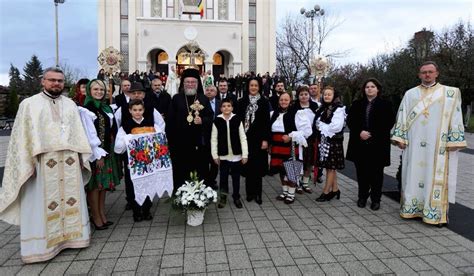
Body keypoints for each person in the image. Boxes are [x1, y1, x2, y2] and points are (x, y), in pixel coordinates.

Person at [0, 67, 92, 263]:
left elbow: (78, 133)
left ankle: (72, 239)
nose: (56, 84)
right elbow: (21, 137)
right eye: (52, 80)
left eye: (59, 81)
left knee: (70, 200)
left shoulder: (70, 105)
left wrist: (82, 159)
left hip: (68, 162)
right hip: (41, 164)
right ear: (43, 81)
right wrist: (27, 163)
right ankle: (40, 247)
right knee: (40, 204)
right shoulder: (29, 104)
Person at [391, 61, 467, 226]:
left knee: (433, 176)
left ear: (436, 73)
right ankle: (412, 210)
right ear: (419, 74)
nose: (427, 75)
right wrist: (400, 138)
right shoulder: (410, 94)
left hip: (437, 145)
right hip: (415, 143)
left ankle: (434, 213)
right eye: (424, 72)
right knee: (412, 174)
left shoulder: (449, 93)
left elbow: (456, 116)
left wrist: (454, 140)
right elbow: (402, 115)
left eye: (430, 72)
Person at [346, 78, 395, 210]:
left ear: (377, 89)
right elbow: (351, 121)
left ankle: (376, 199)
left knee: (377, 174)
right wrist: (359, 132)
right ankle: (362, 197)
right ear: (364, 89)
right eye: (367, 87)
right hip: (360, 144)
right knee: (362, 173)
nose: (370, 89)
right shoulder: (357, 104)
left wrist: (372, 133)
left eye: (372, 86)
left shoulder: (385, 104)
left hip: (378, 145)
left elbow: (389, 122)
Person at [115, 99, 166, 222]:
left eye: (140, 110)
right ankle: (136, 211)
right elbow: (118, 148)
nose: (137, 113)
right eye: (134, 110)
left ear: (143, 110)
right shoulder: (125, 126)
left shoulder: (151, 124)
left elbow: (160, 139)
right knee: (133, 186)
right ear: (130, 111)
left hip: (148, 161)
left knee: (148, 184)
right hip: (132, 163)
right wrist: (130, 138)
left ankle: (147, 209)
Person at [81, 79, 121, 228]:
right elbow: (88, 134)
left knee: (103, 185)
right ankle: (95, 217)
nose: (99, 92)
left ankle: (102, 214)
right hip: (96, 151)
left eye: (101, 90)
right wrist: (97, 153)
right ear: (90, 91)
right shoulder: (87, 109)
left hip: (108, 149)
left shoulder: (107, 108)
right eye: (95, 89)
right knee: (95, 185)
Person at [167, 68, 213, 190]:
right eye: (188, 82)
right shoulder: (176, 98)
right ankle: (180, 195)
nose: (190, 84)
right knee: (181, 170)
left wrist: (203, 120)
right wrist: (171, 142)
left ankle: (200, 195)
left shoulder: (203, 99)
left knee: (200, 169)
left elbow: (210, 117)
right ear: (183, 83)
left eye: (193, 82)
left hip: (199, 144)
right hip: (180, 144)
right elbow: (170, 121)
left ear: (197, 84)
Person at [270, 92, 312, 204]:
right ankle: (284, 191)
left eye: (286, 100)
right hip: (277, 146)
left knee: (291, 170)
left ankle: (291, 193)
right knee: (281, 170)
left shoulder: (298, 113)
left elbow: (307, 131)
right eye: (281, 100)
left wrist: (290, 136)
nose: (283, 102)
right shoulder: (274, 113)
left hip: (290, 145)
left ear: (290, 101)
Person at [237, 77, 271, 204]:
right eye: (251, 85)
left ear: (259, 87)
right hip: (245, 139)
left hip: (259, 140)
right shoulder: (242, 102)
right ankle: (249, 193)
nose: (253, 88)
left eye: (256, 85)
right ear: (248, 87)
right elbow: (238, 121)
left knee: (257, 167)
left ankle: (258, 194)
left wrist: (265, 140)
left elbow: (267, 122)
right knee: (248, 166)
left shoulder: (264, 102)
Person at [212, 98, 248, 209]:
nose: (226, 108)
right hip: (223, 156)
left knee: (236, 178)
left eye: (228, 106)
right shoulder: (217, 120)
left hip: (236, 156)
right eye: (224, 106)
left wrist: (245, 154)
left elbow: (243, 138)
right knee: (223, 178)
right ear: (220, 108)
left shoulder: (237, 119)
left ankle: (236, 197)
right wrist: (215, 155)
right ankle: (223, 197)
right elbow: (214, 139)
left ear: (232, 108)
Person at [314, 86, 346, 202]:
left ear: (334, 96)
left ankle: (326, 192)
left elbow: (336, 127)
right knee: (329, 167)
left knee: (331, 168)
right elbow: (317, 123)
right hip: (324, 141)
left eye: (329, 94)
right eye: (325, 94)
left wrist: (321, 126)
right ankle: (335, 190)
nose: (326, 96)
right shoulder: (322, 108)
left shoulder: (339, 109)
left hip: (334, 142)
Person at [293, 86, 319, 193]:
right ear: (298, 96)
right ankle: (297, 182)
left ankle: (305, 182)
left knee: (309, 161)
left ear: (309, 95)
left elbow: (317, 121)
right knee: (299, 160)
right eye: (301, 94)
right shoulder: (294, 107)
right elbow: (291, 122)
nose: (304, 96)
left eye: (306, 94)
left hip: (311, 138)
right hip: (298, 138)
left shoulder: (314, 106)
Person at [204, 85, 220, 189]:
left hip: (217, 136)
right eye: (208, 90)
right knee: (205, 159)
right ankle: (205, 180)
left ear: (216, 93)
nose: (209, 92)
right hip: (205, 135)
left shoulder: (220, 103)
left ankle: (212, 179)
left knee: (215, 160)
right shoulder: (200, 102)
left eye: (212, 90)